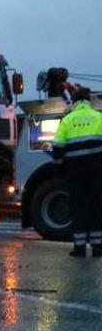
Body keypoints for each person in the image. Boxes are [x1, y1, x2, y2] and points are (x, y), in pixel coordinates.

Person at [52, 86, 102, 257]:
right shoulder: (99, 117)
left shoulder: (68, 120)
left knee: (78, 207)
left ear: (74, 101)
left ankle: (79, 248)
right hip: (97, 172)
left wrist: (58, 169)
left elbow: (57, 147)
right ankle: (98, 247)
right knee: (96, 207)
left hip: (75, 173)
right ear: (88, 100)